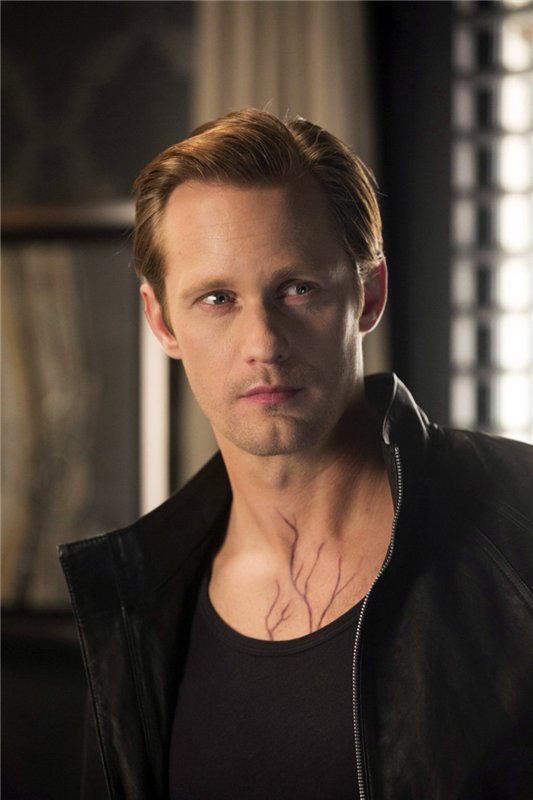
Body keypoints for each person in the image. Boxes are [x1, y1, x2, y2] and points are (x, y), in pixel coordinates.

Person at [59, 109, 533, 800]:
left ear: (368, 294)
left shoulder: (520, 523)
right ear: (161, 321)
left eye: (297, 289)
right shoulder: (133, 608)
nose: (263, 344)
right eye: (217, 298)